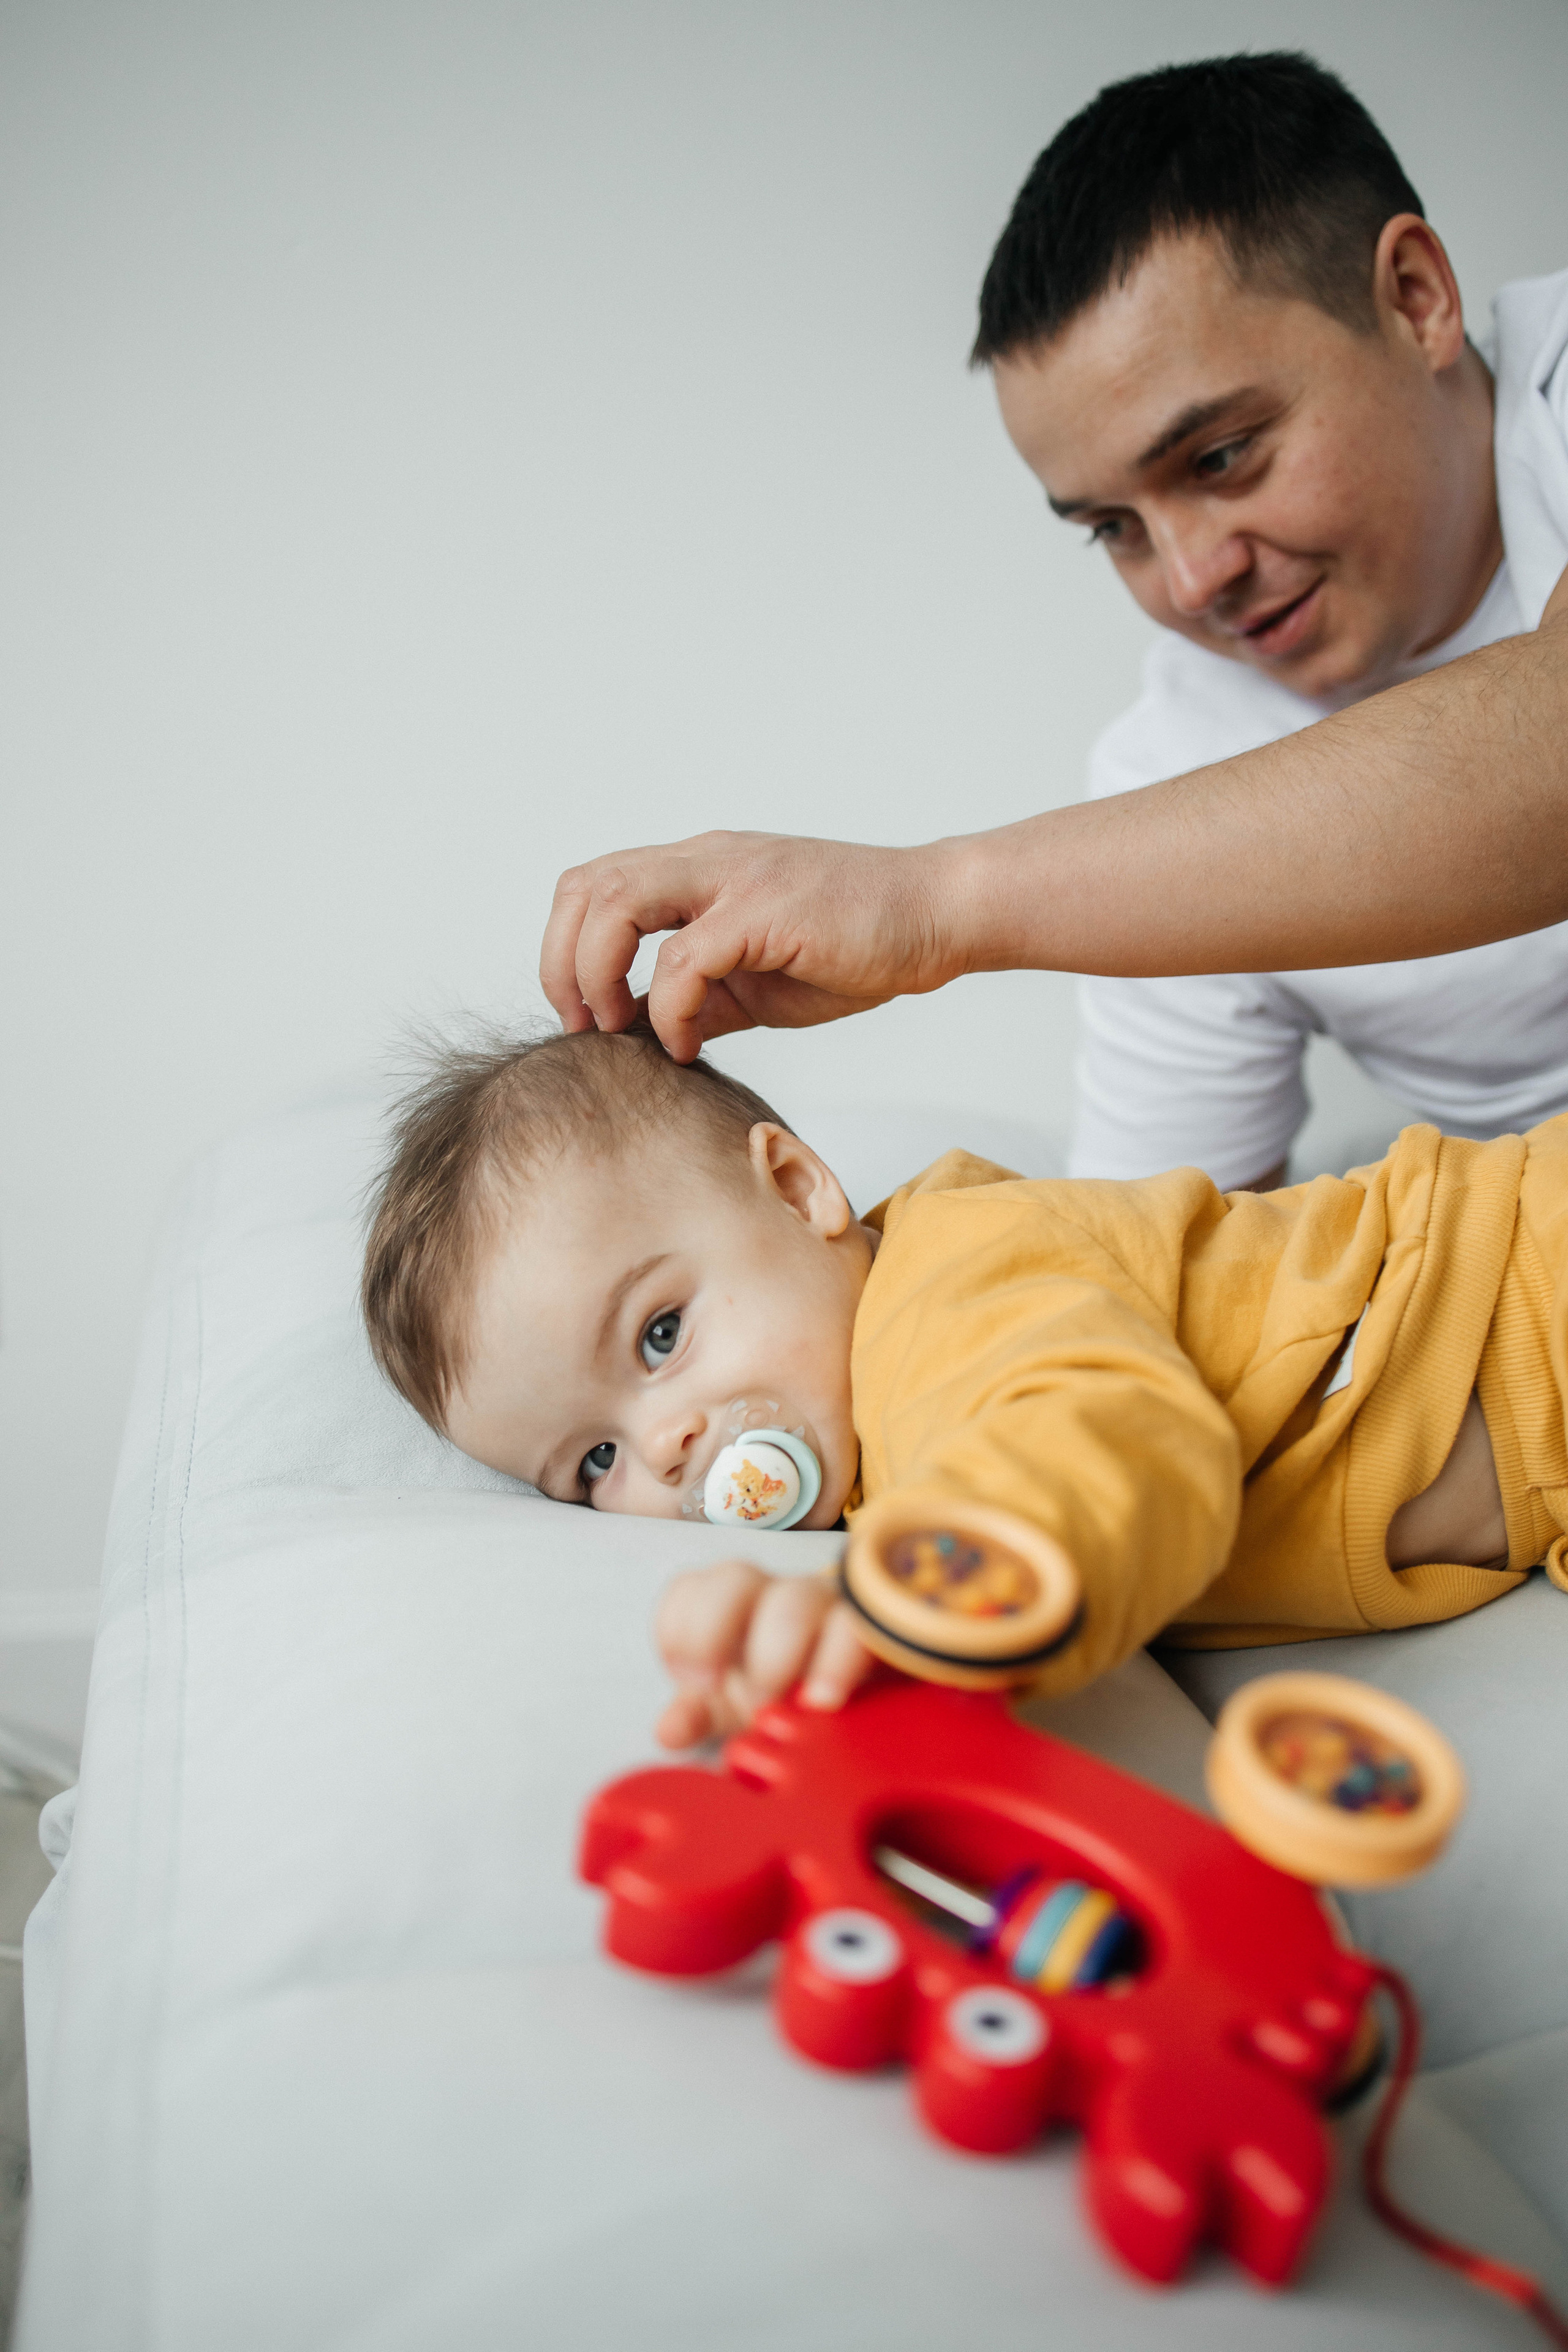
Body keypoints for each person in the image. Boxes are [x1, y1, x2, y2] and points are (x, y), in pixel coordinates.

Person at [539, 54, 1568, 1192]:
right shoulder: (1164, 781)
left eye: (1222, 457)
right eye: (1114, 528)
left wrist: (938, 904)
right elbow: (1159, 1243)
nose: (1191, 582)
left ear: (1417, 299)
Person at [360, 1025, 1568, 1750]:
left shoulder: (945, 1289)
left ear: (798, 1192)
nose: (664, 1445)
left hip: (1529, 1282)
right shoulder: (868, 1458)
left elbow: (1090, 1438)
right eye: (594, 1464)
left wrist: (919, 1606)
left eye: (660, 1333)